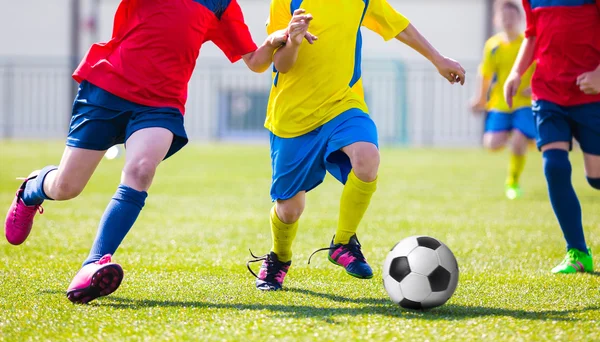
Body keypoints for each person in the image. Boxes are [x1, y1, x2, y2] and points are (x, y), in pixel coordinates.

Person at [4, 0, 315, 304]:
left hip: (161, 103)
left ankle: (93, 264)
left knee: (141, 171)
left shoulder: (222, 4)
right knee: (66, 187)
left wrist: (277, 40)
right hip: (108, 86)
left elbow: (255, 60)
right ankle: (33, 188)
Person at [246, 0, 466, 291]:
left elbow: (398, 26)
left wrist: (438, 59)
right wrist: (294, 40)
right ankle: (279, 257)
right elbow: (281, 65)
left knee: (367, 156)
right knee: (289, 210)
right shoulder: (286, 3)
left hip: (342, 104)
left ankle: (343, 242)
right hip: (292, 115)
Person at [505, 0, 600, 274]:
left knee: (596, 178)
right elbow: (532, 35)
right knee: (555, 167)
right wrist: (516, 72)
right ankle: (578, 252)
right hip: (548, 93)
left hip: (590, 94)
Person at [471, 0, 536, 200]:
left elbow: (542, 66)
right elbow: (485, 74)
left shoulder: (528, 42)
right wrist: (479, 99)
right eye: (504, 17)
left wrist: (533, 87)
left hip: (523, 103)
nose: (508, 21)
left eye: (512, 17)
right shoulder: (493, 45)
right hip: (500, 103)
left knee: (518, 142)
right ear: (496, 20)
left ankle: (512, 182)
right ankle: (522, 135)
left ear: (520, 19)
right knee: (491, 144)